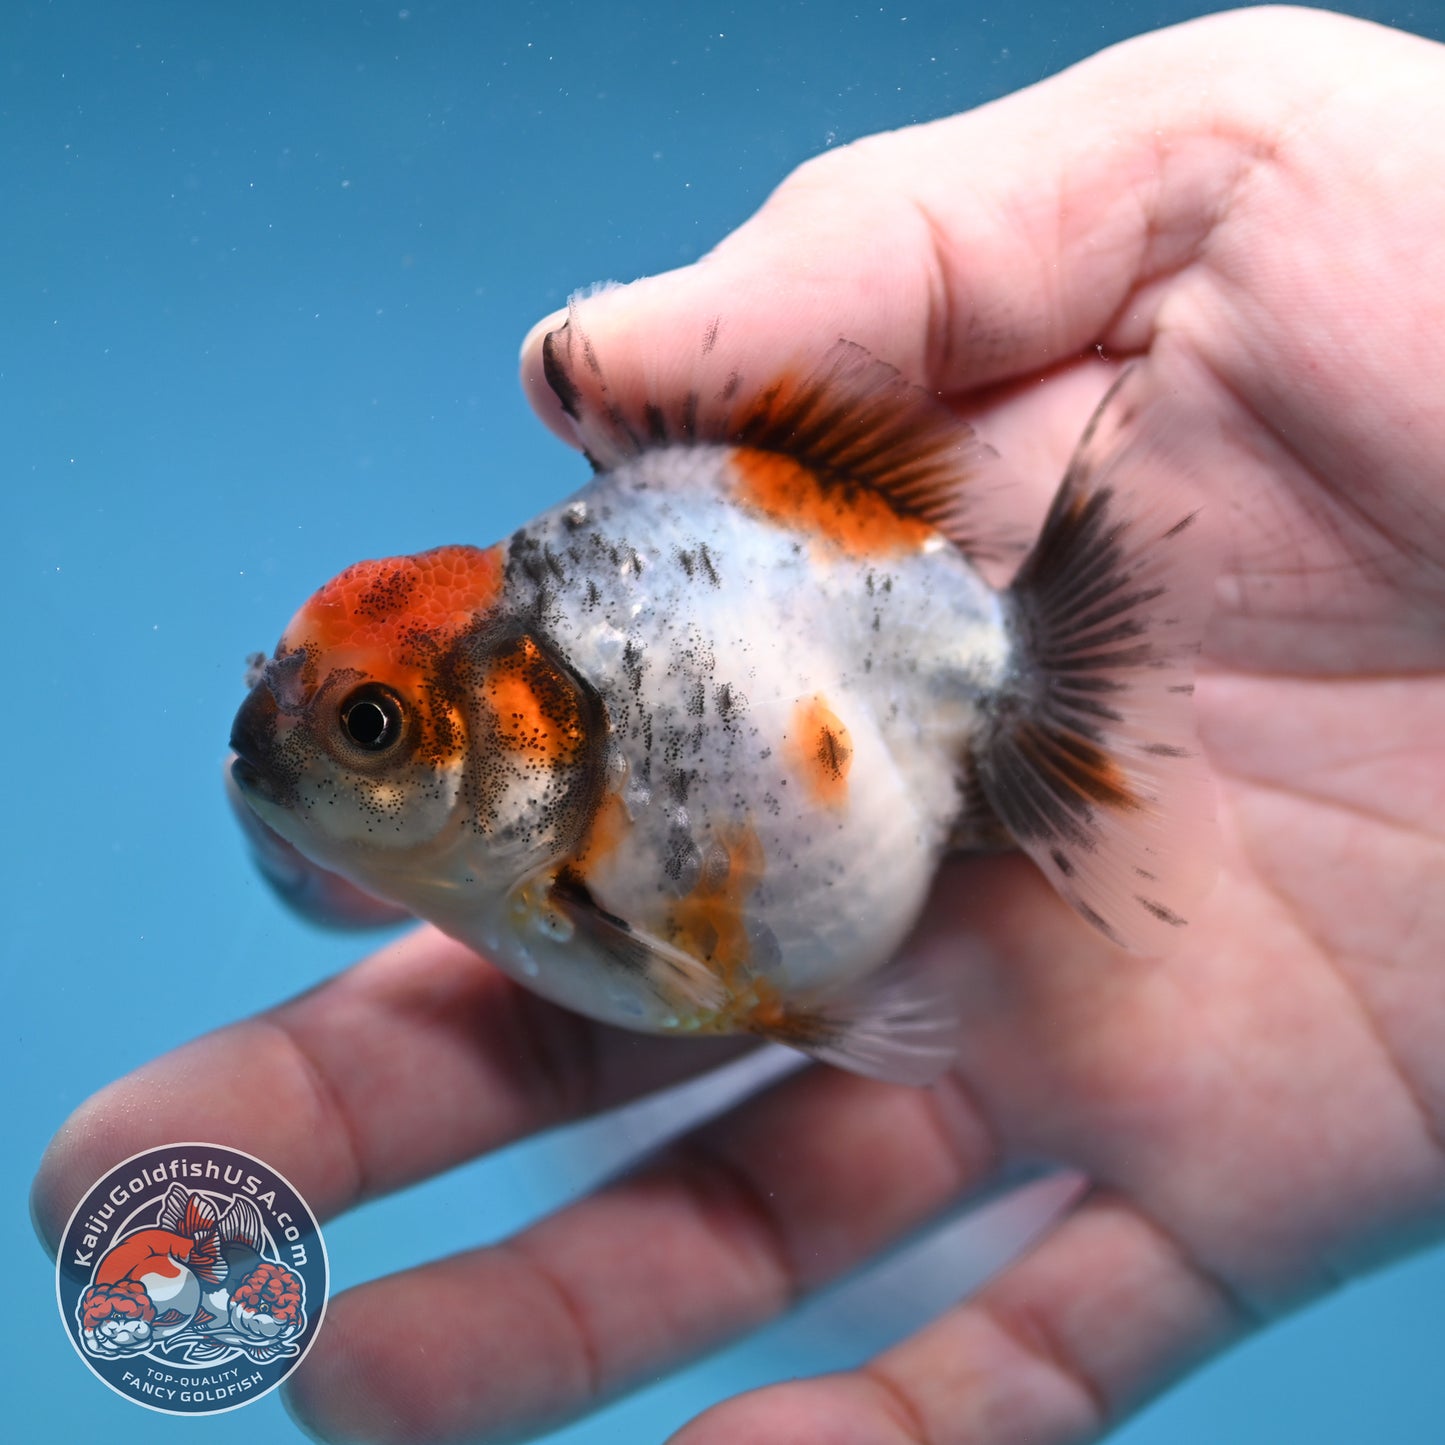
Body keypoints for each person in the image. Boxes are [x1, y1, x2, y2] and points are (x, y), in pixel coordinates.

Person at [34, 6, 1445, 1441]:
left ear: (524, 729)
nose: (301, 747)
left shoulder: (595, 842)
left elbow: (760, 982)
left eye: (378, 729)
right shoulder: (535, 844)